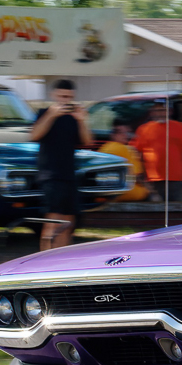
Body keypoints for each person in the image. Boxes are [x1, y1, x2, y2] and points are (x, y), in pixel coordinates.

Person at [27, 78, 94, 250]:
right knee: (52, 224)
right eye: (62, 96)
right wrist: (51, 115)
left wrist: (82, 120)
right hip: (50, 176)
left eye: (69, 97)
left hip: (69, 175)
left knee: (68, 224)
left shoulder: (73, 117)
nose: (66, 100)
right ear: (53, 95)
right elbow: (34, 135)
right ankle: (44, 260)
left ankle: (61, 262)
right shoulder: (44, 113)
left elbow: (87, 141)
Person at [134, 101, 182, 203]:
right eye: (157, 111)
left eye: (163, 110)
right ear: (152, 112)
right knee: (154, 210)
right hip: (152, 181)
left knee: (179, 208)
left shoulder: (181, 128)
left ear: (170, 111)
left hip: (177, 180)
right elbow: (138, 155)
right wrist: (141, 175)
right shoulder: (143, 129)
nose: (160, 113)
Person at [99, 120, 151, 202]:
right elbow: (137, 176)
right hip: (126, 194)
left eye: (127, 132)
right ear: (113, 135)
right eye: (121, 133)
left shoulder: (104, 148)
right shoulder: (125, 149)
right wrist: (151, 191)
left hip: (104, 194)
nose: (125, 135)